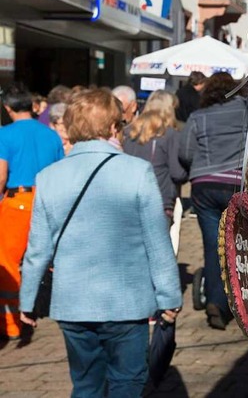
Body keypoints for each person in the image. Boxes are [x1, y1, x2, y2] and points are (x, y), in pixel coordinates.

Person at [19, 89, 182, 396]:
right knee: (127, 381)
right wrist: (169, 297)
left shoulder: (49, 177)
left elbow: (37, 250)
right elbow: (157, 242)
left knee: (86, 384)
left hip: (73, 304)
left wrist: (26, 301)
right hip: (127, 303)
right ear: (112, 127)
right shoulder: (137, 172)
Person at [179, 72, 248, 330]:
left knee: (212, 245)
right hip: (237, 183)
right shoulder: (246, 109)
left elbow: (185, 153)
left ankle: (217, 302)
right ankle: (245, 299)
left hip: (204, 185)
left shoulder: (198, 117)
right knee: (239, 242)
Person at [0, 83, 64, 341]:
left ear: (7, 108)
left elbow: (1, 175)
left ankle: (12, 322)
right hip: (47, 200)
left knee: (6, 261)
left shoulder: (5, 134)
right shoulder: (51, 135)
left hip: (18, 202)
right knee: (42, 258)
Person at [123, 90, 187, 228]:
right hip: (159, 200)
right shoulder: (170, 135)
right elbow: (177, 174)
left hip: (128, 198)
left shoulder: (128, 132)